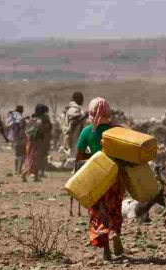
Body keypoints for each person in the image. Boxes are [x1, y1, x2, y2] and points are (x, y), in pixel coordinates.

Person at [76, 97, 127, 260]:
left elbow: (79, 156)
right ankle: (114, 232)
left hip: (95, 178)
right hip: (116, 177)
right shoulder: (118, 130)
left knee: (98, 213)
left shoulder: (86, 132)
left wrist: (94, 156)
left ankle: (106, 249)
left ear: (91, 113)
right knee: (114, 208)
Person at [21, 104, 48, 182]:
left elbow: (26, 131)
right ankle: (24, 173)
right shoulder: (40, 121)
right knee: (35, 159)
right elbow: (42, 131)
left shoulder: (31, 120)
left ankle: (36, 177)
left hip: (29, 142)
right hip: (37, 142)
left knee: (31, 157)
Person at [61, 92, 87, 158]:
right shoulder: (74, 110)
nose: (82, 101)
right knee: (74, 154)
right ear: (76, 99)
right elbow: (74, 122)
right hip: (74, 135)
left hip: (73, 134)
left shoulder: (74, 109)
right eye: (81, 98)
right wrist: (84, 116)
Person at [5, 105, 27, 175]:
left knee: (17, 155)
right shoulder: (21, 118)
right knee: (22, 156)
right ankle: (19, 170)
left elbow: (7, 126)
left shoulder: (13, 118)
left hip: (15, 138)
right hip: (21, 138)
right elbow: (22, 128)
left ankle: (16, 170)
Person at [39, 105, 52, 178]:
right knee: (44, 156)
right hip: (44, 140)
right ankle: (42, 172)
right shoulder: (45, 117)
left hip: (38, 140)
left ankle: (37, 172)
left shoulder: (37, 117)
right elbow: (48, 128)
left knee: (38, 156)